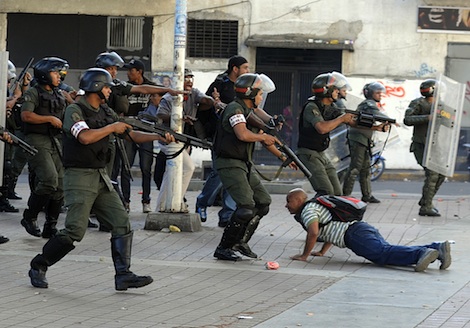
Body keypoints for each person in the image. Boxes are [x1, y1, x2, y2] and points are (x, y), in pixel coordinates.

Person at [27, 68, 175, 290]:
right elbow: (85, 137)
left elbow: (130, 134)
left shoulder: (105, 111)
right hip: (79, 177)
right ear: (96, 87)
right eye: (107, 87)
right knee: (75, 230)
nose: (110, 90)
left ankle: (123, 275)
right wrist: (112, 127)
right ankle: (39, 265)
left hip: (100, 176)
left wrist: (159, 135)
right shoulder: (75, 110)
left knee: (121, 222)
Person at [212, 73, 297, 261]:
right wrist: (263, 136)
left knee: (263, 202)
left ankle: (241, 241)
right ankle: (224, 248)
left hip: (244, 163)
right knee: (246, 207)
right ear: (250, 94)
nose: (261, 98)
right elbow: (243, 134)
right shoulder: (235, 110)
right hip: (230, 163)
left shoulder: (248, 111)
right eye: (259, 94)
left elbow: (267, 138)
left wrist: (283, 157)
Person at [95, 51, 183, 213]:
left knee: (132, 169)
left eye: (115, 69)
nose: (115, 72)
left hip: (120, 132)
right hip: (99, 135)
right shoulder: (90, 86)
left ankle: (119, 206)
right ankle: (116, 205)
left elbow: (141, 88)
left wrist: (168, 91)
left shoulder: (117, 85)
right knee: (112, 172)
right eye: (110, 69)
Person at [286, 188, 451, 272]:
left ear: (300, 200)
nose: (286, 205)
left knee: (383, 254)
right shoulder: (315, 206)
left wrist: (304, 255)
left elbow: (314, 232)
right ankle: (436, 248)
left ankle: (421, 254)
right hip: (360, 229)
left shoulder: (307, 211)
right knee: (387, 250)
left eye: (289, 201)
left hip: (354, 235)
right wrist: (322, 251)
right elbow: (330, 226)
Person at [195, 55, 249, 227]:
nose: (247, 71)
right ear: (235, 68)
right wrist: (215, 103)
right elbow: (203, 106)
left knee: (234, 173)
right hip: (220, 135)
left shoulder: (245, 86)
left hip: (237, 135)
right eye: (245, 68)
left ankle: (227, 214)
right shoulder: (220, 84)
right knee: (219, 172)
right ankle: (202, 203)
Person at [20, 57, 69, 238]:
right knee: (49, 179)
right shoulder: (33, 92)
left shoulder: (59, 93)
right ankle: (29, 217)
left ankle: (51, 225)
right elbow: (26, 115)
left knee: (61, 185)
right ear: (44, 74)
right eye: (55, 73)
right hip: (37, 139)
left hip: (56, 141)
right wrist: (48, 119)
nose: (59, 76)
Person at [156, 68, 215, 212]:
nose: (189, 81)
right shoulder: (169, 98)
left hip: (185, 141)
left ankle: (163, 205)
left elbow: (205, 100)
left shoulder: (194, 93)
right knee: (189, 167)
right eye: (185, 78)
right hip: (169, 140)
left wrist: (213, 100)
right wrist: (178, 117)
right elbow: (160, 114)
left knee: (170, 173)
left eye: (190, 78)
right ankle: (175, 202)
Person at [296, 72, 356, 197]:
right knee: (326, 192)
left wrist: (376, 126)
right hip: (308, 154)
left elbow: (351, 121)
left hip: (321, 153)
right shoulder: (311, 107)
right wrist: (341, 119)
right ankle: (310, 214)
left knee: (337, 194)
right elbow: (322, 128)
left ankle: (329, 216)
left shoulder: (330, 107)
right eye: (335, 90)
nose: (337, 93)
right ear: (326, 91)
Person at [342, 82, 391, 203]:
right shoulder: (368, 104)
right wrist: (390, 120)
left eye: (381, 93)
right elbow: (377, 115)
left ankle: (367, 195)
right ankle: (345, 195)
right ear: (369, 94)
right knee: (355, 168)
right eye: (377, 93)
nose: (380, 95)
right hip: (358, 139)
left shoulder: (370, 104)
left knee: (365, 169)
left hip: (364, 140)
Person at [403, 79, 445, 217]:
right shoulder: (418, 103)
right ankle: (426, 207)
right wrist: (428, 117)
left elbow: (449, 120)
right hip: (421, 144)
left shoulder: (440, 105)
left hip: (436, 145)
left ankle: (426, 199)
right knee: (432, 174)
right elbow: (407, 120)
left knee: (441, 174)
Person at [122, 59, 156, 213]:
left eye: (131, 70)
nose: (128, 73)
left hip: (146, 131)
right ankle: (126, 202)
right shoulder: (124, 88)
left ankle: (146, 201)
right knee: (126, 167)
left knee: (146, 168)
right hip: (128, 132)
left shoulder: (151, 87)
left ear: (140, 72)